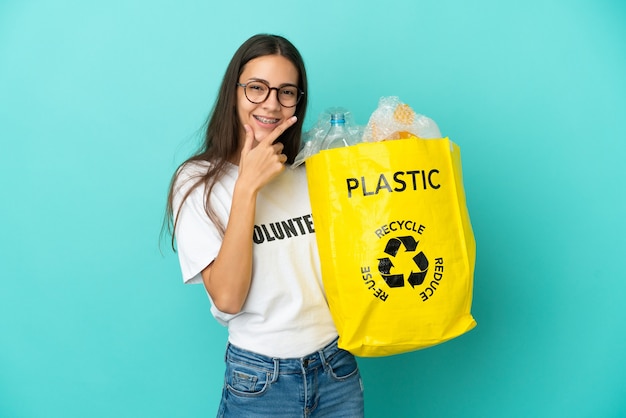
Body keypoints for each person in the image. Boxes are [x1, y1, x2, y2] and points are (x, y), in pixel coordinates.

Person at [165, 34, 364, 417]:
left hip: (337, 369)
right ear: (234, 91)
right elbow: (228, 298)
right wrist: (247, 187)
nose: (271, 104)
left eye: (286, 92)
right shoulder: (197, 182)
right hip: (260, 381)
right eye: (257, 88)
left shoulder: (314, 166)